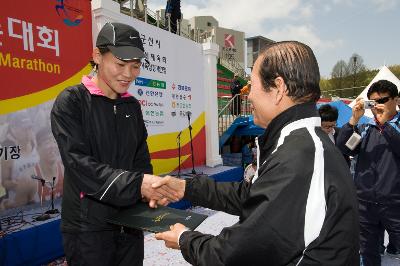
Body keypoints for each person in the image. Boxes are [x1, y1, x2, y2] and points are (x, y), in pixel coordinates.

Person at [154, 41, 360, 265]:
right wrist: (186, 188)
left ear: (279, 88)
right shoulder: (298, 145)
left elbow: (236, 255)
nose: (248, 96)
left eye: (252, 85)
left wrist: (185, 239)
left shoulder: (300, 157)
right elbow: (253, 195)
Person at [50, 22, 178, 266]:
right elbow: (80, 166)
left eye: (135, 66)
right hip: (88, 228)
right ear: (98, 56)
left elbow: (140, 160)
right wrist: (140, 185)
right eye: (120, 64)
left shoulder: (132, 107)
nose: (128, 74)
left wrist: (150, 196)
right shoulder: (72, 101)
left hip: (130, 224)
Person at [336, 79, 400, 266]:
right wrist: (353, 120)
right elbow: (345, 148)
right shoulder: (365, 128)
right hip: (365, 203)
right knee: (367, 252)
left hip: (395, 203)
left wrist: (385, 125)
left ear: (396, 100)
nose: (377, 106)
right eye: (372, 102)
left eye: (382, 100)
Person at [1, 111, 39, 209]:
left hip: (39, 201)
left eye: (30, 128)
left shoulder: (38, 148)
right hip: (18, 203)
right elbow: (4, 182)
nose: (28, 132)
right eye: (24, 128)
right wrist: (15, 184)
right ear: (14, 130)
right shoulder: (8, 153)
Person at [33, 127, 64, 202]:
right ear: (38, 148)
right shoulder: (30, 179)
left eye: (54, 141)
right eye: (47, 142)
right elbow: (17, 210)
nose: (53, 146)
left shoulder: (64, 170)